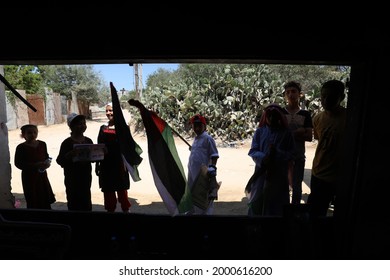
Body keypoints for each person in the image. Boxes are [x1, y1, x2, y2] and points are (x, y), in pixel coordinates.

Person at [307, 79, 347, 217]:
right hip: (319, 173)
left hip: (341, 176)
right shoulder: (317, 119)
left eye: (331, 97)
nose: (326, 100)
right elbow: (320, 141)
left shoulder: (349, 118)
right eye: (323, 96)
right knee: (316, 213)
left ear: (341, 97)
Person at [247, 103, 295, 216]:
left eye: (275, 116)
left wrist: (277, 154)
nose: (272, 119)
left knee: (276, 204)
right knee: (258, 201)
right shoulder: (259, 132)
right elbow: (253, 151)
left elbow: (291, 154)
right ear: (265, 117)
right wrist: (264, 158)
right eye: (269, 116)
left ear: (280, 117)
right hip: (261, 175)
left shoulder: (286, 133)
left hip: (279, 175)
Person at [95, 103, 132, 213]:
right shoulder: (103, 128)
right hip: (106, 165)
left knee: (122, 191)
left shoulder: (124, 128)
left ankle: (126, 213)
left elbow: (129, 146)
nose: (108, 113)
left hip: (120, 165)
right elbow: (99, 146)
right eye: (107, 111)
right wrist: (98, 164)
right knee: (108, 192)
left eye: (111, 110)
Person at [282, 81, 313, 204]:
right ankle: (283, 212)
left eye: (293, 91)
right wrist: (297, 133)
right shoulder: (281, 112)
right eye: (287, 92)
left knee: (297, 186)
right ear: (285, 95)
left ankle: (294, 213)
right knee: (282, 185)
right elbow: (277, 135)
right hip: (282, 157)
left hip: (298, 156)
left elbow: (309, 137)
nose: (290, 94)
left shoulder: (306, 114)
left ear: (300, 94)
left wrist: (288, 133)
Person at [56, 113, 93, 211]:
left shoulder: (88, 141)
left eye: (84, 123)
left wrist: (101, 153)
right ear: (71, 126)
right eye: (79, 124)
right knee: (73, 200)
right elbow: (59, 160)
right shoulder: (67, 143)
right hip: (72, 178)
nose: (82, 126)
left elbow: (93, 159)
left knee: (86, 198)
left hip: (85, 176)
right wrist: (70, 154)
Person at [14, 124, 56, 209]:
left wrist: (47, 163)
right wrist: (34, 165)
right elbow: (18, 163)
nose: (32, 135)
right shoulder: (21, 147)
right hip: (29, 177)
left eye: (34, 132)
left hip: (41, 175)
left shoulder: (42, 144)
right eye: (29, 133)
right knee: (32, 196)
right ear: (23, 135)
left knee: (44, 194)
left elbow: (46, 156)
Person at [187, 114, 219, 215]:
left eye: (199, 125)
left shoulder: (208, 139)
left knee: (204, 196)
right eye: (194, 126)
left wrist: (212, 168)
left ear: (204, 126)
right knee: (193, 194)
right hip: (192, 173)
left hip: (203, 174)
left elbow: (214, 155)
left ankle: (205, 216)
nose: (196, 128)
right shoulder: (196, 139)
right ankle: (194, 213)